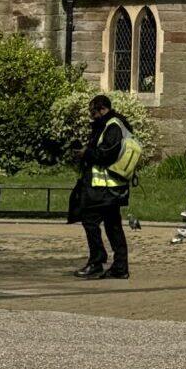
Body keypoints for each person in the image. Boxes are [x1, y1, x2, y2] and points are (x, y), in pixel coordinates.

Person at [73, 93, 131, 279]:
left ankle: (97, 261)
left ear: (103, 109)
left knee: (90, 220)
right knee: (113, 225)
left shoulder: (112, 126)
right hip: (108, 187)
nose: (92, 116)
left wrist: (86, 153)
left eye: (93, 112)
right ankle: (119, 267)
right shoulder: (110, 124)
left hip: (105, 188)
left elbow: (106, 154)